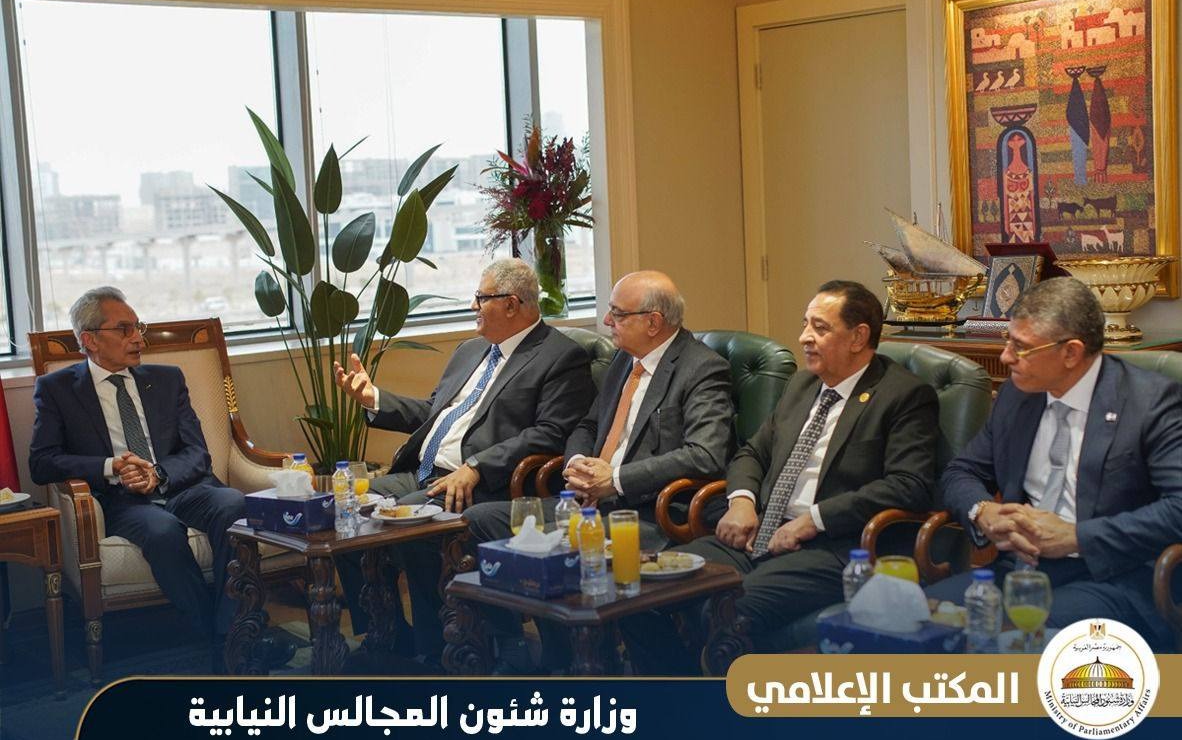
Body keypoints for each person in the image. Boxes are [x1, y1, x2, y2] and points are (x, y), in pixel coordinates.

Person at [622, 280, 940, 674]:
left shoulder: (903, 396)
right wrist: (742, 502)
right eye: (805, 324)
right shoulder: (803, 384)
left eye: (820, 328)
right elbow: (753, 452)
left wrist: (813, 520)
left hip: (833, 548)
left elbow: (908, 485)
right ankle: (674, 696)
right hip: (758, 532)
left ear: (858, 337)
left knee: (727, 611)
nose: (804, 337)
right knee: (641, 589)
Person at [462, 269, 735, 673]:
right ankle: (562, 650)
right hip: (589, 500)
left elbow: (704, 455)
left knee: (562, 547)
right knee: (482, 520)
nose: (607, 322)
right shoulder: (625, 361)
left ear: (653, 322)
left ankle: (605, 664)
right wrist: (577, 463)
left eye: (617, 314)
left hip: (647, 511)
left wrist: (616, 480)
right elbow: (588, 426)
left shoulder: (701, 368)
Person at [332, 258, 594, 659]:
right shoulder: (471, 350)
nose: (473, 305)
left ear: (511, 304)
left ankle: (439, 649)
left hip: (482, 481)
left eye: (480, 297)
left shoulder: (560, 357)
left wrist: (478, 466)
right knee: (345, 509)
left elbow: (549, 433)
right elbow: (433, 412)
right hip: (422, 471)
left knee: (406, 525)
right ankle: (389, 635)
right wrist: (375, 399)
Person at [28, 286, 293, 670]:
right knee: (163, 531)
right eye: (124, 329)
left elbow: (198, 452)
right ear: (90, 340)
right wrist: (110, 466)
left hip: (182, 486)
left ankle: (229, 635)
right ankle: (227, 637)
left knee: (235, 504)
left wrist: (158, 474)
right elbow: (42, 462)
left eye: (139, 327)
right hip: (122, 501)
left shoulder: (166, 379)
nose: (138, 338)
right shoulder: (58, 389)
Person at [927, 277, 1182, 651]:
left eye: (1021, 347)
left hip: (1113, 578)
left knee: (1007, 641)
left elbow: (1178, 508)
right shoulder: (1017, 394)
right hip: (1019, 571)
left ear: (1071, 353)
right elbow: (960, 471)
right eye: (1008, 341)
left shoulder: (1150, 403)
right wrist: (983, 511)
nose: (1006, 357)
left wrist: (1076, 537)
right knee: (919, 621)